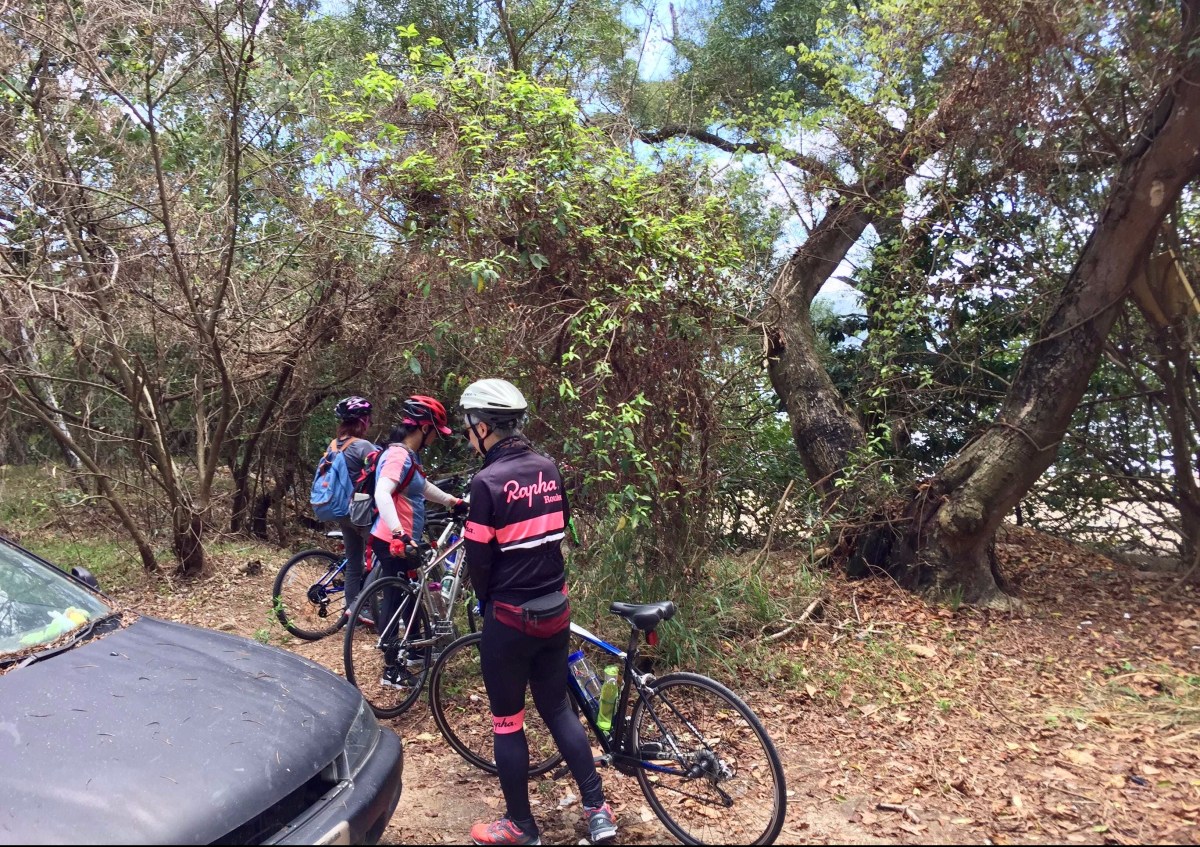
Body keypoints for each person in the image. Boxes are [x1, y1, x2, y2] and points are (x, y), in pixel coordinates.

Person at [460, 379, 617, 847]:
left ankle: (520, 827)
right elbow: (559, 528)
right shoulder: (548, 467)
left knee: (507, 722)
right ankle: (598, 811)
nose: (469, 437)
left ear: (484, 427)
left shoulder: (485, 482)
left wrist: (485, 602)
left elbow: (479, 561)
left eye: (469, 429)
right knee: (558, 709)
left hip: (510, 618)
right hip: (556, 610)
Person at [369, 394, 467, 689]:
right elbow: (382, 493)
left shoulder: (409, 456)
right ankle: (391, 668)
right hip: (394, 541)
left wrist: (452, 501)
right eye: (435, 433)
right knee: (396, 597)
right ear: (424, 428)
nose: (436, 439)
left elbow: (421, 487)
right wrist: (399, 532)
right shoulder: (398, 455)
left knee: (412, 593)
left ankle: (413, 650)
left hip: (402, 540)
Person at [330, 396, 378, 613]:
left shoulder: (334, 445)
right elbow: (382, 471)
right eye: (367, 419)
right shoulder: (362, 446)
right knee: (383, 558)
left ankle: (352, 608)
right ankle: (362, 605)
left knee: (353, 563)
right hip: (360, 511)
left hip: (340, 510)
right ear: (361, 421)